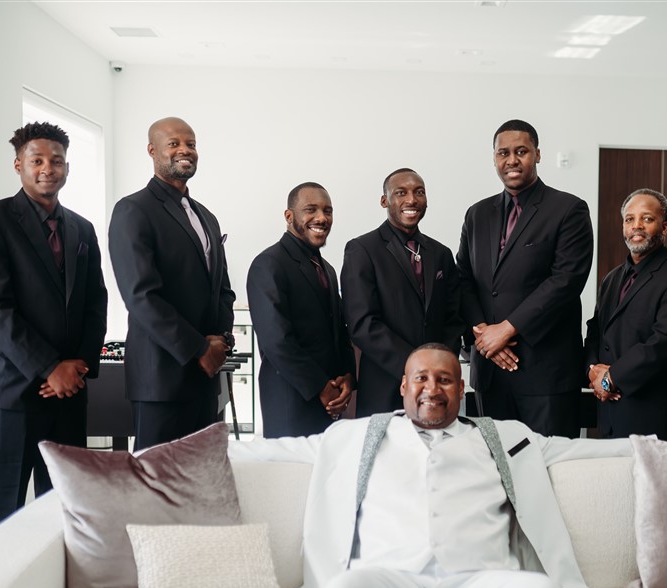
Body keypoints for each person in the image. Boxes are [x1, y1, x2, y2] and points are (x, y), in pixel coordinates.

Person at [231, 343, 631, 588]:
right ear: (403, 386)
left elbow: (580, 450)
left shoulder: (506, 437)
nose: (432, 389)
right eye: (421, 378)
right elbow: (272, 451)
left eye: (445, 380)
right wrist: (190, 450)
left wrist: (665, 449)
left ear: (461, 388)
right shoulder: (354, 436)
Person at [0, 122, 108, 530]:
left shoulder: (82, 228)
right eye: (37, 160)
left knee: (67, 505)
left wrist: (78, 365)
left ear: (67, 167)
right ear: (18, 165)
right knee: (4, 508)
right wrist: (49, 368)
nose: (48, 168)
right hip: (13, 392)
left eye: (57, 160)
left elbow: (96, 302)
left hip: (70, 393)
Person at [456, 119, 593, 437]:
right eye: (503, 153)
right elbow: (463, 279)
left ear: (538, 154)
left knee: (550, 471)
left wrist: (506, 329)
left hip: (546, 373)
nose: (512, 160)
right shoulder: (477, 214)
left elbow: (566, 281)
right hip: (490, 370)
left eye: (521, 151)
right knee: (494, 469)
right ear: (494, 158)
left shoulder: (568, 210)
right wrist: (483, 335)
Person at [109, 117, 235, 450]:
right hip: (161, 380)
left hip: (206, 379)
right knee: (155, 488)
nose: (185, 150)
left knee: (202, 480)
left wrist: (220, 341)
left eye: (191, 144)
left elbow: (222, 289)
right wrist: (199, 349)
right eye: (174, 143)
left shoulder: (206, 216)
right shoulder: (133, 210)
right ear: (152, 151)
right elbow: (141, 296)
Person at [341, 168, 463, 415]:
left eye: (419, 192)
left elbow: (453, 318)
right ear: (385, 201)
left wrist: (438, 368)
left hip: (436, 388)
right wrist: (415, 367)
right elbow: (362, 323)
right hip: (385, 383)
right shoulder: (362, 250)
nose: (412, 200)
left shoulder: (441, 254)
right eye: (401, 192)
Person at [584, 189, 667, 442]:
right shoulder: (611, 278)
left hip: (651, 415)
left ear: (665, 227)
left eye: (647, 219)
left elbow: (664, 343)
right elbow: (595, 331)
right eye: (629, 219)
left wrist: (610, 379)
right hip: (609, 413)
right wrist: (593, 371)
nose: (636, 226)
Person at [247, 182, 355, 437]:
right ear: (289, 216)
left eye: (328, 211)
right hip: (292, 402)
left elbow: (340, 330)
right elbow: (277, 341)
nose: (321, 218)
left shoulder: (327, 268)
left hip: (331, 402)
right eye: (311, 209)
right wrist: (320, 387)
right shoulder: (268, 264)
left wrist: (347, 377)